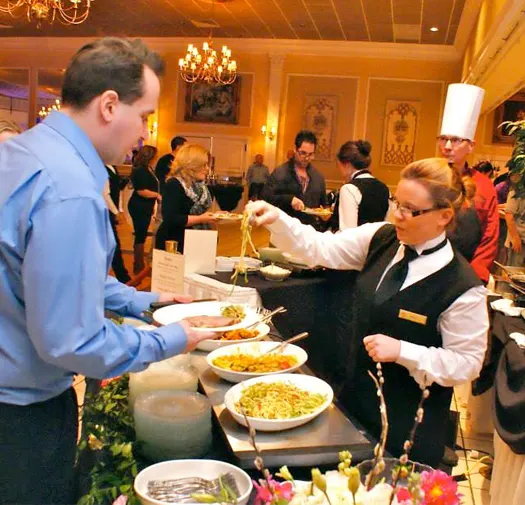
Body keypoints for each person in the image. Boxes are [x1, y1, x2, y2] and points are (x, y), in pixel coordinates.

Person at [0, 37, 215, 505]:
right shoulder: (70, 190)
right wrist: (175, 338)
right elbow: (72, 342)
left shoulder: (24, 152)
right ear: (109, 105)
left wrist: (147, 301)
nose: (143, 135)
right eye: (144, 116)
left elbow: (44, 276)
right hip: (19, 417)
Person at [247, 157, 489, 467]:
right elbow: (320, 248)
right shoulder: (381, 238)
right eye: (396, 204)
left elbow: (467, 364)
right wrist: (277, 219)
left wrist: (403, 351)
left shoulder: (462, 286)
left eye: (409, 209)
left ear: (444, 216)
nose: (397, 215)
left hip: (408, 427)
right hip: (355, 406)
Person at [438, 83, 499, 283]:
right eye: (443, 139)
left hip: (467, 274)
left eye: (455, 140)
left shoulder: (483, 184)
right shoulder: (427, 176)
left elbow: (490, 235)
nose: (447, 146)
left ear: (470, 146)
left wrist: (474, 274)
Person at [156, 143, 217, 253]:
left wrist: (213, 216)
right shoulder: (174, 184)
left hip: (195, 240)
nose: (208, 169)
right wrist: (202, 219)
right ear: (191, 165)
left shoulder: (200, 185)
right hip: (174, 242)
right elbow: (171, 219)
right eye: (204, 165)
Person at [262, 130, 328, 229]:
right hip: (283, 231)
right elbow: (265, 198)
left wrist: (325, 214)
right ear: (295, 150)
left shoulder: (318, 177)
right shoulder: (280, 173)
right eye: (303, 153)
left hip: (309, 232)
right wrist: (289, 199)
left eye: (311, 154)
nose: (307, 158)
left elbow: (323, 205)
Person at [330, 139, 390, 231]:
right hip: (376, 243)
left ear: (346, 164)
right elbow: (386, 226)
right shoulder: (384, 188)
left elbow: (348, 233)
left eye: (338, 165)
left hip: (356, 244)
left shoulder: (349, 189)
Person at [128, 144, 161, 273]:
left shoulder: (148, 169)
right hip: (138, 205)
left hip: (145, 206)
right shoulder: (140, 170)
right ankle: (138, 266)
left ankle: (139, 265)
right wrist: (157, 195)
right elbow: (141, 191)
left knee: (141, 234)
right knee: (140, 234)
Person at [103, 165, 131, 283]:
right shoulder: (102, 167)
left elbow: (117, 191)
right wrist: (115, 211)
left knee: (113, 244)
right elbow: (105, 194)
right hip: (105, 212)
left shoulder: (113, 167)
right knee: (113, 244)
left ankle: (122, 276)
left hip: (112, 211)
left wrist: (119, 209)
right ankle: (122, 277)